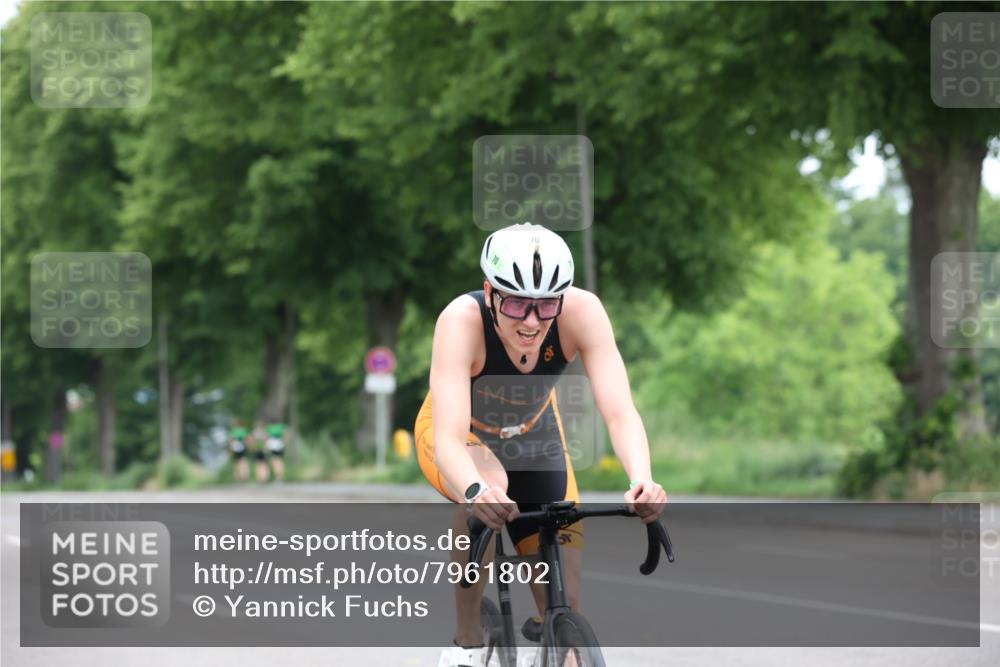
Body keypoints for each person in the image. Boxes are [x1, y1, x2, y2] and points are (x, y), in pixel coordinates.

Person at [415, 223, 667, 667]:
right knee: (490, 484)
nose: (531, 321)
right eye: (515, 303)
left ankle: (556, 649)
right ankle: (467, 641)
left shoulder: (583, 312)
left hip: (534, 432)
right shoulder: (460, 320)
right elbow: (451, 439)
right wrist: (474, 493)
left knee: (565, 601)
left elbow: (620, 410)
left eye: (546, 304)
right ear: (489, 291)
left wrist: (642, 479)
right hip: (458, 432)